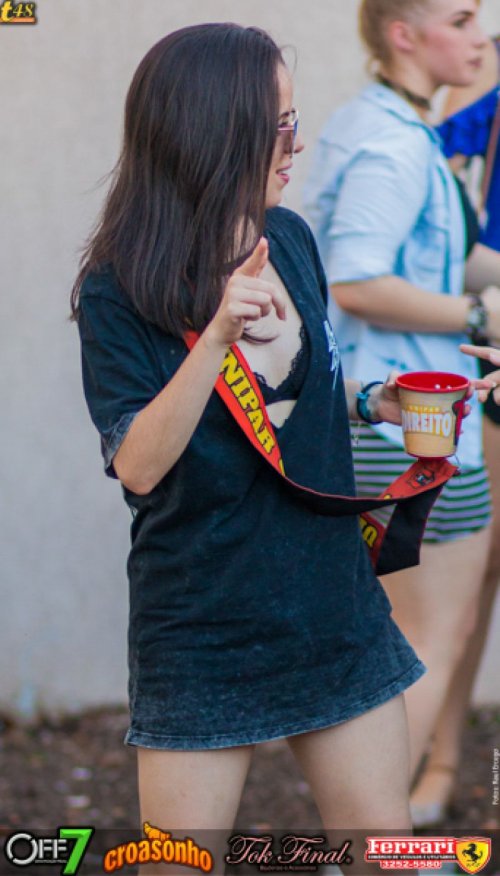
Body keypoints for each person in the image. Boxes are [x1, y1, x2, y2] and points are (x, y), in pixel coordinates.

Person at [71, 23, 430, 873]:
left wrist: (374, 400)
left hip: (333, 609)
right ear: (214, 131)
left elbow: (288, 402)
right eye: (279, 126)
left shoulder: (291, 239)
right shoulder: (118, 288)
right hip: (205, 628)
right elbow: (138, 464)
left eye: (295, 121)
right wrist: (216, 338)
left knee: (387, 856)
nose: (295, 144)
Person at [304, 0, 500, 829]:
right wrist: (482, 316)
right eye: (461, 19)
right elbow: (358, 282)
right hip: (413, 431)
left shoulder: (386, 126)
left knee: (403, 643)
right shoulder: (393, 143)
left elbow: (439, 260)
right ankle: (367, 846)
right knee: (426, 644)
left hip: (392, 425)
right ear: (403, 34)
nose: (483, 37)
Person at [405, 37, 500, 828]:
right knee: (476, 572)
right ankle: (439, 763)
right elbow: (436, 237)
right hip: (493, 354)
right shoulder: (485, 70)